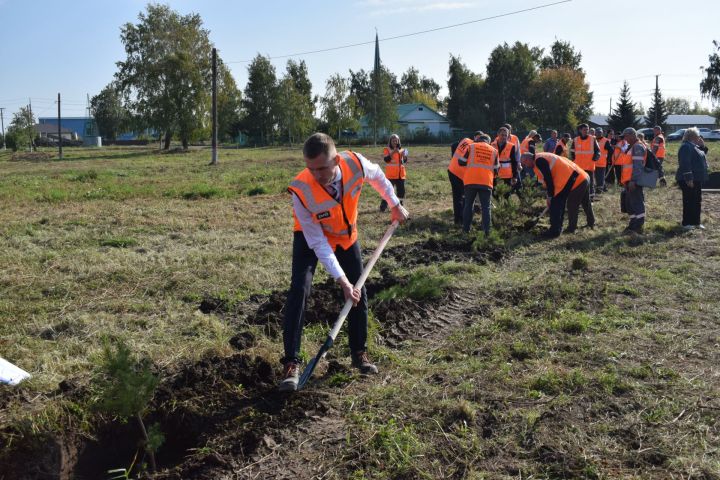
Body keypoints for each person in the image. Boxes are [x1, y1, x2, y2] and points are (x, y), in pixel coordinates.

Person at [280, 133, 410, 391]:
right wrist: (341, 280)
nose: (316, 175)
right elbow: (318, 243)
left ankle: (358, 354)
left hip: (346, 236)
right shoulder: (301, 189)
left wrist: (394, 204)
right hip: (310, 239)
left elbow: (379, 178)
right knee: (300, 289)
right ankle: (291, 363)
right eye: (311, 169)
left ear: (336, 160)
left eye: (322, 168)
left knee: (359, 291)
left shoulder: (356, 164)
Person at [521, 152, 594, 237]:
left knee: (568, 205)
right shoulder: (541, 157)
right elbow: (546, 180)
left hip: (576, 180)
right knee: (585, 202)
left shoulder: (539, 161)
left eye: (525, 163)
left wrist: (550, 196)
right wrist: (550, 195)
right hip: (582, 176)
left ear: (528, 159)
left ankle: (561, 230)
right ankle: (591, 222)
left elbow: (548, 179)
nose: (525, 165)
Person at [459, 133, 498, 234]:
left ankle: (466, 230)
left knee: (468, 205)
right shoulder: (494, 151)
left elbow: (461, 162)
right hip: (486, 182)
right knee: (486, 207)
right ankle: (487, 232)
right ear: (489, 142)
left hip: (470, 181)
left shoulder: (471, 147)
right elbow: (496, 170)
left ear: (478, 140)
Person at [677, 127, 710, 230]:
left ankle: (696, 222)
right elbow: (685, 163)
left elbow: (701, 155)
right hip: (688, 179)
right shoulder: (686, 146)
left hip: (697, 178)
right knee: (689, 201)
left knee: (696, 200)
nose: (699, 137)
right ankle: (687, 223)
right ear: (693, 136)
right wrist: (688, 178)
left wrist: (703, 146)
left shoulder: (694, 146)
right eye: (698, 136)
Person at [615, 128, 647, 234]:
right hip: (628, 181)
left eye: (627, 136)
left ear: (633, 135)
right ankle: (633, 222)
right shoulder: (631, 147)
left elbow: (638, 166)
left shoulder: (637, 146)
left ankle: (638, 225)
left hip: (634, 181)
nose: (625, 139)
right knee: (630, 204)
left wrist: (633, 181)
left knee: (636, 202)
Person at [571, 124, 601, 198]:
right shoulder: (575, 140)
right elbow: (572, 151)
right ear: (580, 130)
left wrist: (595, 158)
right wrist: (574, 159)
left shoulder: (592, 139)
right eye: (584, 129)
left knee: (590, 183)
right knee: (579, 182)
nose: (586, 131)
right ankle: (580, 197)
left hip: (589, 166)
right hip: (578, 167)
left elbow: (598, 151)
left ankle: (591, 198)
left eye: (587, 129)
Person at [379, 133, 407, 212]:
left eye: (396, 141)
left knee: (401, 192)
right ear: (390, 141)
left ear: (398, 141)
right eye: (393, 140)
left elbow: (404, 161)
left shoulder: (401, 150)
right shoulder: (387, 149)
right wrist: (393, 152)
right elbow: (386, 160)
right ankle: (383, 207)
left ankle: (400, 206)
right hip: (391, 175)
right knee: (388, 191)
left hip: (400, 175)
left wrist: (404, 157)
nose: (395, 142)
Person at [449, 137, 473, 224]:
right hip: (461, 175)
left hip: (452, 171)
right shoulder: (473, 147)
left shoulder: (465, 140)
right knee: (464, 197)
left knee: (457, 197)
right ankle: (463, 220)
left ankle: (457, 219)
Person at [492, 127, 519, 194]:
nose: (504, 137)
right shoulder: (492, 145)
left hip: (507, 175)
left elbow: (514, 162)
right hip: (494, 174)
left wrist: (515, 176)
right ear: (498, 134)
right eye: (502, 135)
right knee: (495, 194)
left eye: (505, 135)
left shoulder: (511, 146)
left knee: (507, 195)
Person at [595, 128, 613, 193]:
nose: (599, 133)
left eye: (600, 132)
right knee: (597, 177)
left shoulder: (606, 141)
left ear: (602, 133)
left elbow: (611, 150)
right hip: (592, 163)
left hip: (601, 163)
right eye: (597, 132)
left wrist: (608, 159)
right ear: (595, 133)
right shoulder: (592, 140)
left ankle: (599, 191)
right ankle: (604, 188)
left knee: (600, 177)